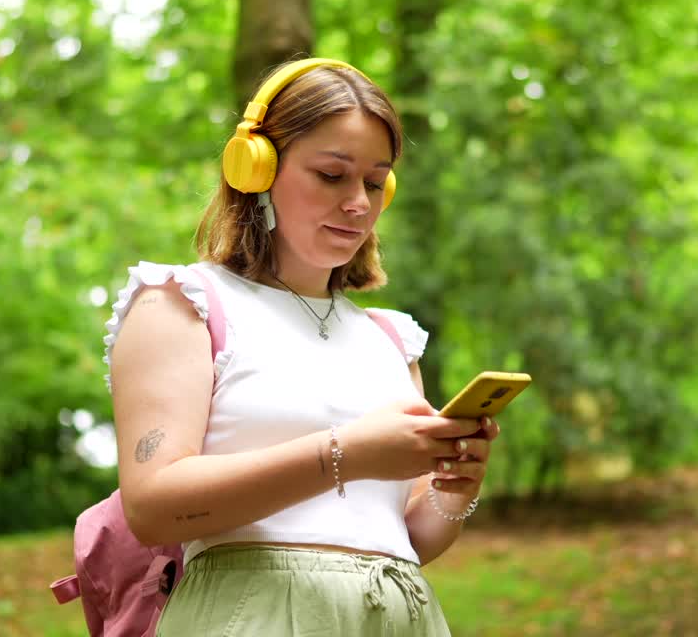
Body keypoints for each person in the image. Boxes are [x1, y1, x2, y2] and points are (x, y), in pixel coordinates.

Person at [102, 58, 502, 636]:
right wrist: (347, 454)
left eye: (373, 181)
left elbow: (411, 539)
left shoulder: (391, 339)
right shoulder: (185, 302)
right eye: (331, 175)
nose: (359, 203)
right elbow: (154, 506)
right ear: (257, 169)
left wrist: (455, 490)